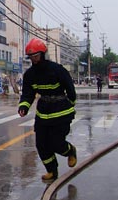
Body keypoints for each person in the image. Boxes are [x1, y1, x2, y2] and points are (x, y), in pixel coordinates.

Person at [17, 39, 77, 182]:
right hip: (43, 113)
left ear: (43, 54)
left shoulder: (57, 70)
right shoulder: (30, 75)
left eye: (36, 56)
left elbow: (70, 89)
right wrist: (23, 106)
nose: (34, 60)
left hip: (61, 112)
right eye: (31, 57)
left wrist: (70, 104)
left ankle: (71, 151)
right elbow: (27, 93)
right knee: (42, 145)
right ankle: (52, 171)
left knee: (56, 143)